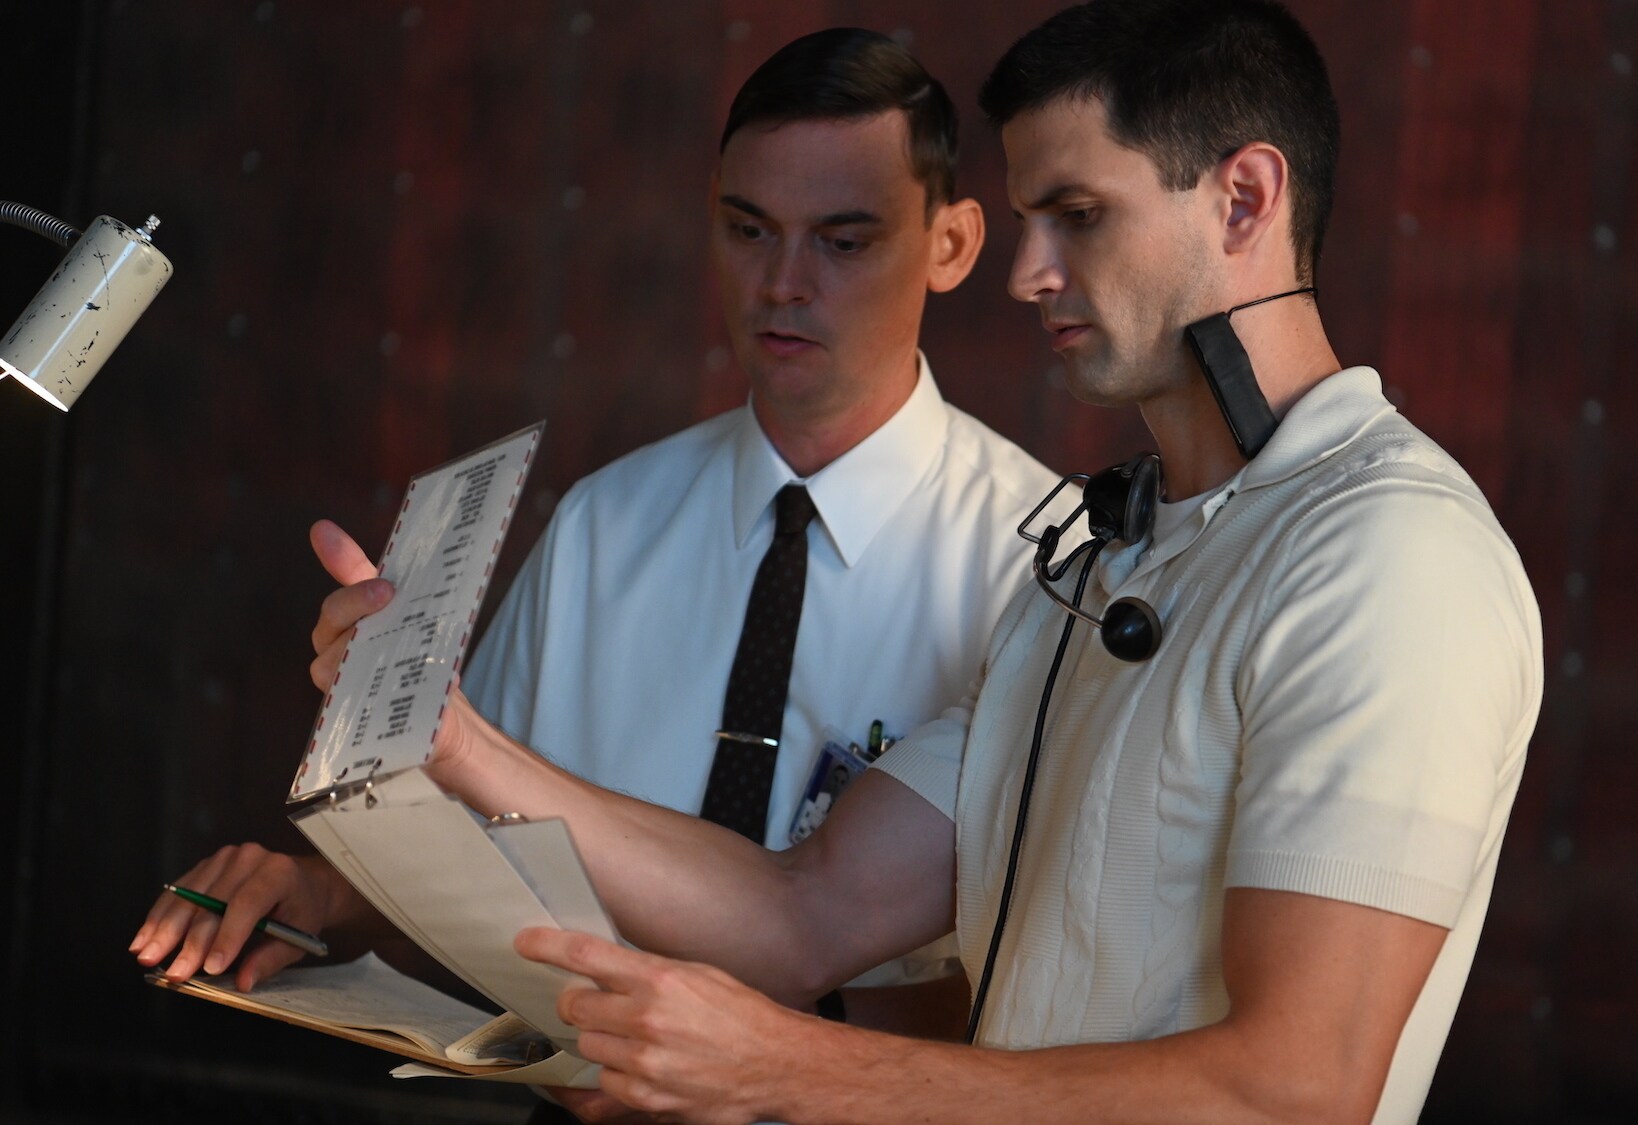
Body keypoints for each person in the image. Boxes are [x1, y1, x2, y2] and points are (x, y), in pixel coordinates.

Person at [137, 2, 1543, 1122]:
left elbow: (1297, 1092)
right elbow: (810, 909)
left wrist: (785, 1073)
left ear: (1244, 199)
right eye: (1028, 218)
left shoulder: (1386, 556)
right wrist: (450, 739)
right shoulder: (1094, 571)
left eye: (1080, 216)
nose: (1027, 273)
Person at [131, 28, 1062, 1039]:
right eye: (748, 229)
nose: (783, 284)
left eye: (842, 241)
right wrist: (319, 893)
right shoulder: (604, 524)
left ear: (953, 244)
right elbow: (473, 842)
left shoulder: (1041, 565)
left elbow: (1039, 965)